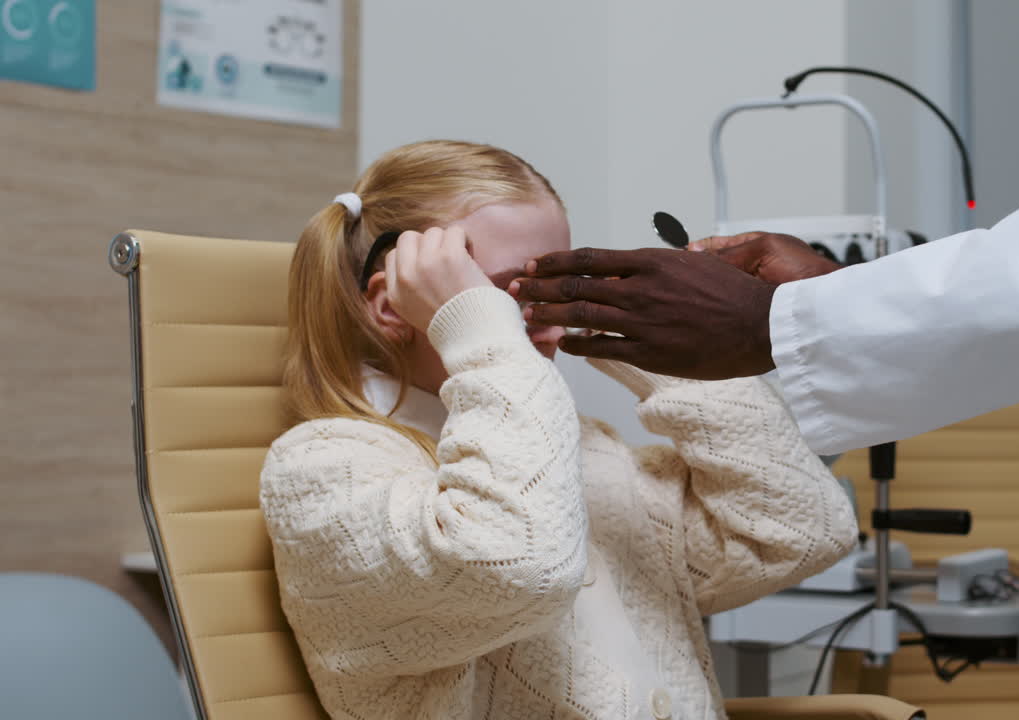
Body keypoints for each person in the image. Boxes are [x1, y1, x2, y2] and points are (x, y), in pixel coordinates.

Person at [508, 1, 1019, 717]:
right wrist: (822, 307)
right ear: (385, 300)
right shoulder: (395, 471)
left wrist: (771, 327)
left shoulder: (603, 475)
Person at [257, 140, 859, 720]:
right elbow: (519, 568)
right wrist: (481, 333)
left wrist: (653, 339)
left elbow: (796, 534)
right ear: (394, 307)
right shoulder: (323, 471)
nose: (541, 320)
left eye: (554, 287)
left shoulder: (588, 450)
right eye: (495, 295)